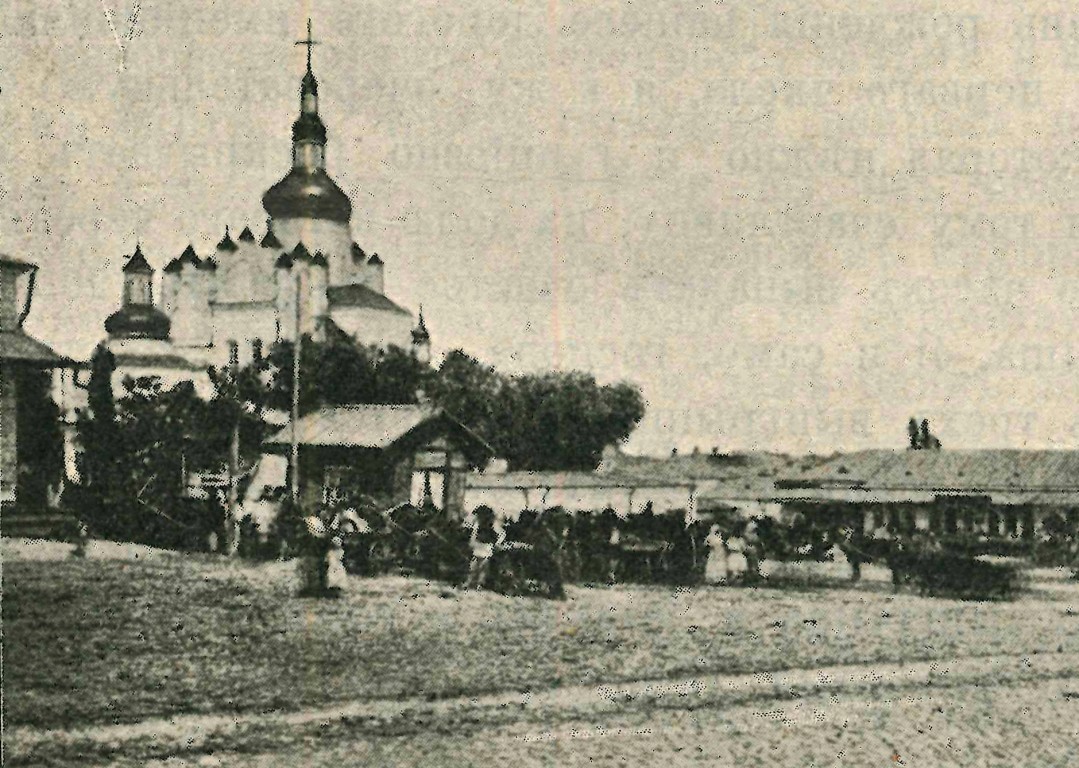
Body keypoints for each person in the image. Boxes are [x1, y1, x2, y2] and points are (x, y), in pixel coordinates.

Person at [465, 507, 498, 590]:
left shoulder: (480, 528)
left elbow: (472, 541)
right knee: (479, 568)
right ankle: (476, 584)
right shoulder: (489, 529)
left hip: (482, 549)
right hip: (484, 549)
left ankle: (474, 583)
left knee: (477, 568)